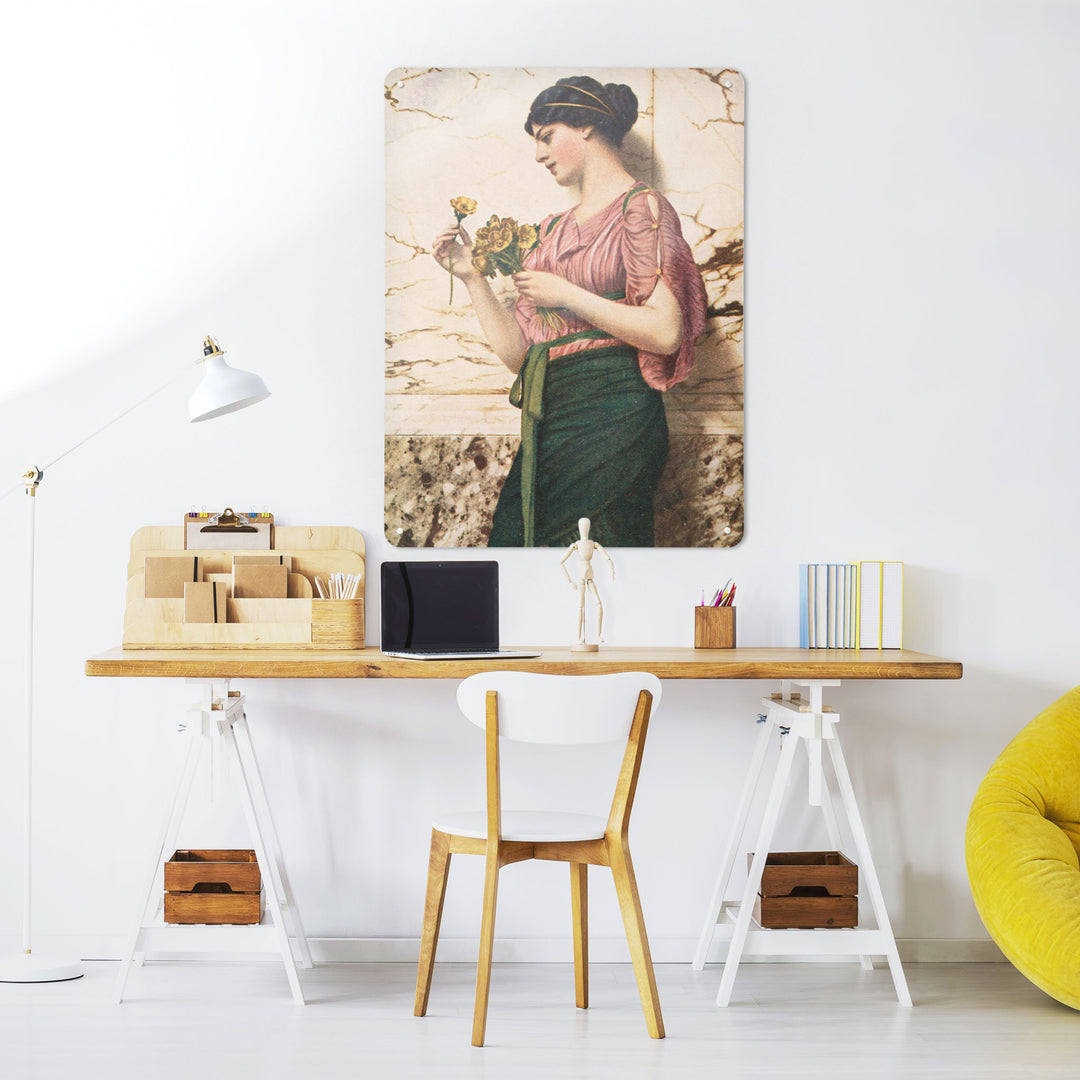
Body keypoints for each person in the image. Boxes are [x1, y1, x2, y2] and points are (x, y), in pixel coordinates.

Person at [432, 75, 708, 547]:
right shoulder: (549, 232)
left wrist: (568, 294)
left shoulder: (640, 209)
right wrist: (471, 276)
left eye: (546, 136)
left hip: (615, 409)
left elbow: (665, 332)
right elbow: (521, 357)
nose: (539, 154)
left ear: (586, 127)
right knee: (517, 542)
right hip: (551, 411)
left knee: (598, 553)